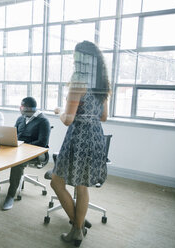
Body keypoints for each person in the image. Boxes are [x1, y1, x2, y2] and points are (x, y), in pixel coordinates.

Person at [51, 40, 110, 247]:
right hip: (95, 136)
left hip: (78, 137)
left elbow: (68, 119)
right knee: (82, 186)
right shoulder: (102, 83)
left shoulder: (78, 82)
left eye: (76, 57)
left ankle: (77, 229)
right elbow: (104, 117)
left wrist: (59, 111)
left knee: (56, 182)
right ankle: (79, 220)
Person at [2, 97, 51, 211]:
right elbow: (13, 134)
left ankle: (10, 195)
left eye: (22, 106)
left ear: (28, 108)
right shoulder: (21, 118)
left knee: (17, 162)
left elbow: (42, 142)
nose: (20, 108)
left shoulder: (43, 121)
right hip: (18, 149)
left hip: (36, 153)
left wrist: (23, 146)